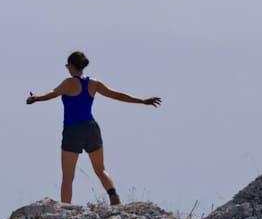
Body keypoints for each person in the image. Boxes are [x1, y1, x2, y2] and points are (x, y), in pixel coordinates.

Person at [26, 51, 161, 206]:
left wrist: (36, 98)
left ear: (71, 65)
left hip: (73, 130)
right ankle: (113, 196)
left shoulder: (69, 83)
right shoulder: (94, 83)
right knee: (100, 169)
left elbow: (53, 93)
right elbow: (116, 95)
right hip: (91, 128)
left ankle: (66, 209)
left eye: (67, 65)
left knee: (68, 176)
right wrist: (142, 101)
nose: (66, 67)